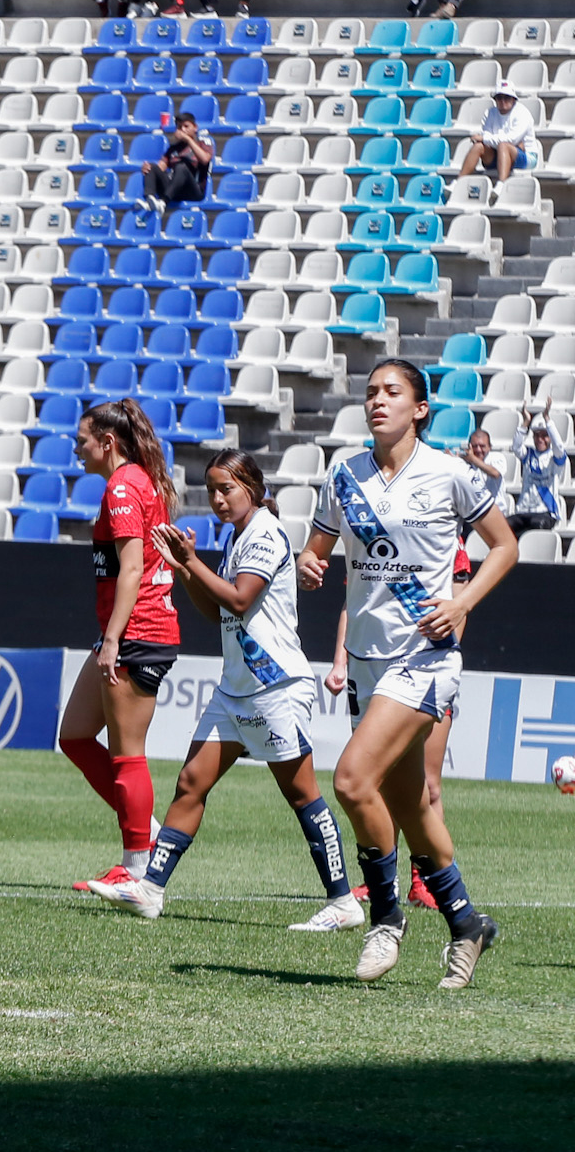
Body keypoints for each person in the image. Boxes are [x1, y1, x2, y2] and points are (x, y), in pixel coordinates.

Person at [298, 359, 518, 988]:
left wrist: (460, 603)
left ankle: (386, 918)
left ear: (420, 409)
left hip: (424, 658)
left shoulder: (450, 473)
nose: (378, 401)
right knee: (412, 807)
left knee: (350, 779)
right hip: (368, 661)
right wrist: (307, 566)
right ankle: (467, 923)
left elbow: (504, 546)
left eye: (392, 392)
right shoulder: (345, 474)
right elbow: (314, 552)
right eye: (370, 392)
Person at [87, 450, 360, 931]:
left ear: (252, 488)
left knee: (302, 795)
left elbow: (239, 597)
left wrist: (192, 559)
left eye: (226, 488)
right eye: (212, 489)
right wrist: (186, 570)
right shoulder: (239, 537)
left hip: (274, 687)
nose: (217, 499)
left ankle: (343, 901)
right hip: (236, 690)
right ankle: (150, 890)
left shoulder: (266, 533)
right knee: (191, 782)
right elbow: (218, 613)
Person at [58, 399, 182, 892]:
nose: (75, 449)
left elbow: (132, 567)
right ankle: (142, 834)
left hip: (137, 631)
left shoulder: (123, 485)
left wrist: (112, 639)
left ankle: (136, 868)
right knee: (75, 734)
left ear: (107, 442)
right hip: (128, 629)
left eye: (82, 440)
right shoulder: (132, 482)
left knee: (127, 752)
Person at [457, 81, 540, 182]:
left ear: (514, 99)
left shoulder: (522, 113)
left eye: (507, 97)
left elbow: (511, 139)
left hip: (526, 156)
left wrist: (486, 139)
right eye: (499, 98)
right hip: (498, 153)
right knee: (478, 146)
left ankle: (501, 184)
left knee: (503, 146)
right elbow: (488, 135)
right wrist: (488, 140)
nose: (503, 101)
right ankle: (458, 181)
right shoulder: (489, 113)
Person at [505, 398, 565, 535]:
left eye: (545, 436)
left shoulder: (555, 457)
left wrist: (547, 419)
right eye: (537, 436)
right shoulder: (528, 454)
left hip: (545, 512)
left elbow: (560, 447)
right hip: (523, 510)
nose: (540, 439)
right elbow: (515, 447)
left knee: (536, 525)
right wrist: (526, 422)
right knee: (504, 526)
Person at [137, 112, 215, 216]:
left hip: (194, 190)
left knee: (181, 167)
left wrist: (188, 140)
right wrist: (147, 168)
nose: (183, 129)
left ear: (195, 127)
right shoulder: (174, 148)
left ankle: (163, 202)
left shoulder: (203, 143)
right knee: (151, 167)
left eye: (186, 126)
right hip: (175, 190)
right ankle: (149, 200)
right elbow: (161, 167)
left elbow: (205, 159)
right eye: (179, 127)